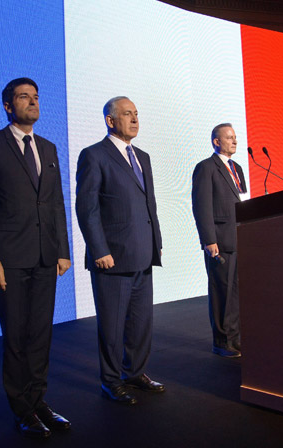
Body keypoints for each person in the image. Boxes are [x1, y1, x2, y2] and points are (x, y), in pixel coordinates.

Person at [0, 77, 72, 439]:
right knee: (16, 335)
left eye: (36, 97)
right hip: (9, 259)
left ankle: (38, 400)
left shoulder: (48, 147)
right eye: (24, 97)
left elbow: (56, 203)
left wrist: (63, 250)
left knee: (41, 334)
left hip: (46, 256)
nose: (32, 102)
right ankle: (22, 409)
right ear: (8, 105)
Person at [75, 96, 164, 405]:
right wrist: (99, 249)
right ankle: (111, 381)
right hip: (111, 258)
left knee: (141, 323)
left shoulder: (143, 156)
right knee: (112, 327)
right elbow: (87, 208)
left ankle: (135, 372)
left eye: (137, 113)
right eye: (127, 114)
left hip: (143, 254)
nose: (135, 119)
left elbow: (147, 205)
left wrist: (156, 244)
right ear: (110, 121)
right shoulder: (94, 155)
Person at [191, 123, 246, 358]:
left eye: (235, 137)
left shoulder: (237, 168)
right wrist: (208, 239)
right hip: (220, 240)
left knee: (236, 292)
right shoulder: (206, 168)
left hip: (240, 237)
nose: (234, 141)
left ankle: (236, 338)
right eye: (229, 137)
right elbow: (201, 206)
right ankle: (222, 341)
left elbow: (242, 201)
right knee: (221, 291)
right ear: (216, 141)